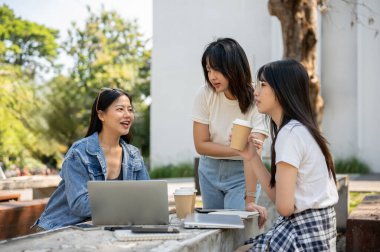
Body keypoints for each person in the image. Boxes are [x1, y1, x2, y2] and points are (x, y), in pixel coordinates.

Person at [238, 59, 338, 251]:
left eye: (263, 85)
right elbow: (283, 200)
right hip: (317, 230)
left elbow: (284, 208)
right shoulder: (300, 129)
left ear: (282, 91)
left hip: (303, 232)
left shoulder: (290, 134)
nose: (255, 92)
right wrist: (252, 157)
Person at [33, 88, 149, 231]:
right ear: (101, 115)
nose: (128, 115)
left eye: (130, 110)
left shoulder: (134, 155)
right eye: (120, 109)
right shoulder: (79, 152)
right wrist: (127, 201)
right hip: (60, 227)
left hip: (99, 228)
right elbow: (80, 205)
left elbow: (146, 198)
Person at [192, 38, 269, 211]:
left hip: (242, 173)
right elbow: (201, 145)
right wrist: (239, 149)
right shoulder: (205, 94)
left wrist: (250, 200)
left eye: (217, 69)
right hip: (209, 171)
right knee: (216, 231)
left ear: (234, 67)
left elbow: (253, 152)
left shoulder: (258, 96)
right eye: (208, 69)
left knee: (237, 228)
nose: (212, 76)